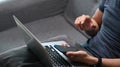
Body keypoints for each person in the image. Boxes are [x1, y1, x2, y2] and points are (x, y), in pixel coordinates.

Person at [63, 0, 120, 67]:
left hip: (102, 63)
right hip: (85, 51)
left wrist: (92, 61)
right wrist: (89, 26)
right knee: (50, 55)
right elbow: (96, 23)